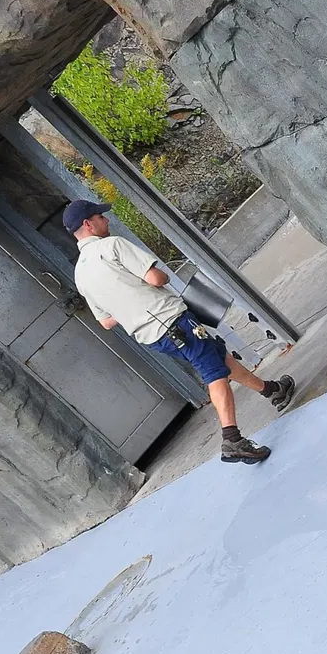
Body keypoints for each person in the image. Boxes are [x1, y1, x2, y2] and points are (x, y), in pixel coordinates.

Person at [63, 199, 294, 464]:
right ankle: (232, 439)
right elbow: (156, 279)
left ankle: (272, 390)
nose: (107, 220)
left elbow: (106, 321)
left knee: (218, 357)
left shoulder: (80, 274)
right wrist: (155, 282)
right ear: (87, 223)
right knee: (213, 371)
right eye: (101, 217)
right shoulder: (113, 245)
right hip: (173, 322)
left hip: (154, 338)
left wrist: (129, 304)